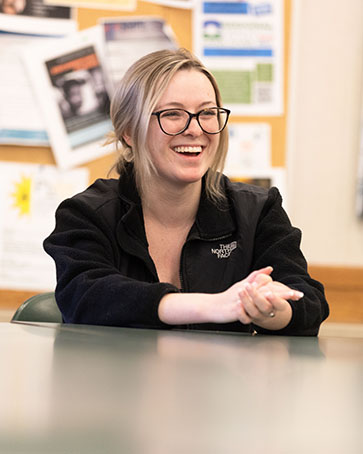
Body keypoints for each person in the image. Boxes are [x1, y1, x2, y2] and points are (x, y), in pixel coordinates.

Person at [43, 48, 329, 335]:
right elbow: (85, 297)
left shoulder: (258, 210)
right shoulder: (86, 214)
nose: (195, 129)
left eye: (207, 113)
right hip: (117, 378)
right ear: (129, 131)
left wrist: (272, 309)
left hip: (221, 380)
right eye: (173, 114)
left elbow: (307, 300)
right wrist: (213, 306)